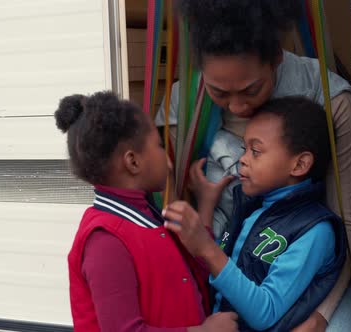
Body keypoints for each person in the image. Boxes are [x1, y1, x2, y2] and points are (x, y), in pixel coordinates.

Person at [154, 1, 351, 330]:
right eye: (219, 92)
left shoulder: (329, 101)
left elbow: (348, 223)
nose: (237, 106)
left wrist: (320, 316)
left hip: (311, 275)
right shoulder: (184, 106)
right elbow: (175, 205)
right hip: (224, 272)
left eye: (251, 90)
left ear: (277, 56)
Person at [56, 91, 238, 332]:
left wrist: (205, 204)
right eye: (159, 146)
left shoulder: (146, 215)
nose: (169, 159)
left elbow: (193, 265)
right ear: (133, 162)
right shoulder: (105, 240)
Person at [163, 97, 347, 331]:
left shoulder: (315, 231)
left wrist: (206, 248)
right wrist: (207, 206)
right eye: (244, 149)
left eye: (255, 151)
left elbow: (265, 311)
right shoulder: (252, 207)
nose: (242, 159)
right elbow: (218, 266)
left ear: (299, 165)